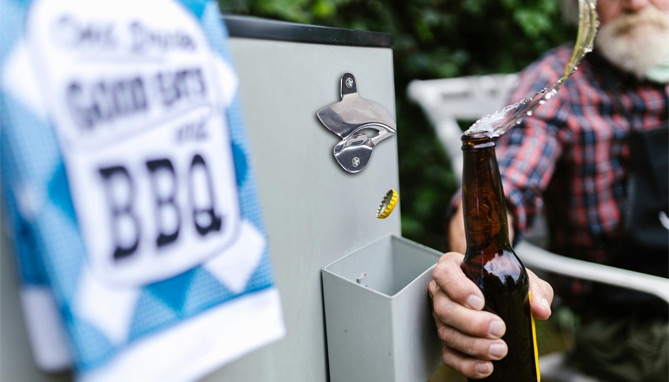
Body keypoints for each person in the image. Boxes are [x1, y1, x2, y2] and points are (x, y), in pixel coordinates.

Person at [429, 0, 669, 380]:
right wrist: (468, 277)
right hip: (634, 322)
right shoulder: (560, 84)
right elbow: (505, 187)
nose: (636, 3)